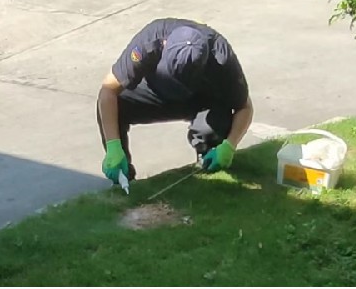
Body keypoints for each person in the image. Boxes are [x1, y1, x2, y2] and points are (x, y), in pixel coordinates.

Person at [96, 18, 253, 185]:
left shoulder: (222, 58)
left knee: (221, 116)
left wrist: (229, 146)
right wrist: (113, 145)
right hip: (155, 92)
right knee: (113, 105)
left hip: (198, 100)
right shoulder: (150, 40)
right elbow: (107, 91)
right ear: (164, 44)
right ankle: (122, 175)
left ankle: (208, 160)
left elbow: (245, 107)